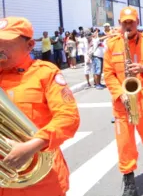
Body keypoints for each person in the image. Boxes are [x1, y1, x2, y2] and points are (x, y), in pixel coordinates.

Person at [0, 17, 80, 196]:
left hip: (41, 182)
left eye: (6, 43)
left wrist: (33, 146)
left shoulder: (45, 73)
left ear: (29, 45)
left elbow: (68, 118)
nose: (0, 48)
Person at [103, 6, 143, 196]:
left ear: (137, 22)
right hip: (121, 104)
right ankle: (129, 180)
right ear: (120, 24)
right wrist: (119, 93)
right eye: (125, 22)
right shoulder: (112, 44)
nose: (128, 25)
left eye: (131, 22)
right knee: (124, 144)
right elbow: (108, 73)